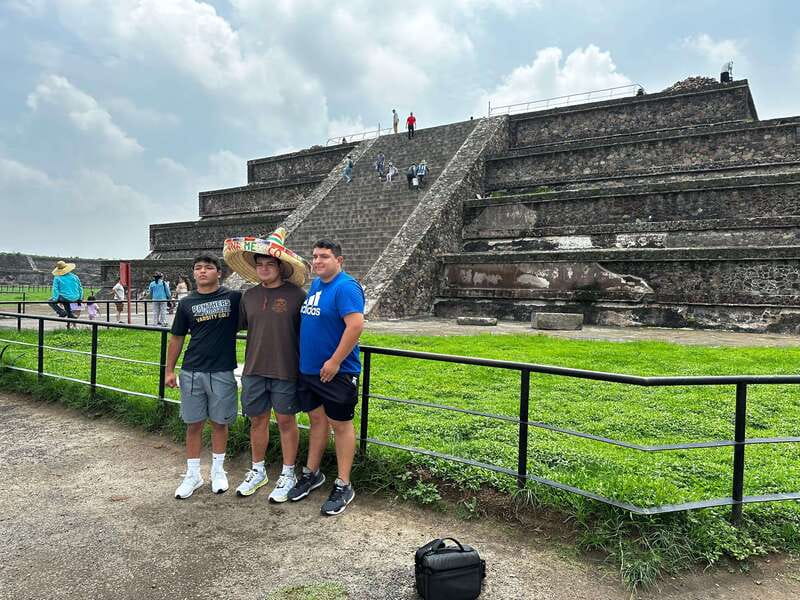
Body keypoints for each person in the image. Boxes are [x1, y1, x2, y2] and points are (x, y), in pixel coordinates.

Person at [222, 228, 310, 502]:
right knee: (257, 420)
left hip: (286, 368)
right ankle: (258, 470)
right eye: (259, 264)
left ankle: (288, 472)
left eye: (269, 264)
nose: (264, 268)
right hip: (254, 369)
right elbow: (234, 326)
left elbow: (309, 332)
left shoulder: (297, 295)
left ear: (280, 267)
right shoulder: (248, 296)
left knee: (286, 420)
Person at [287, 239, 365, 516]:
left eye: (324, 256)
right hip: (310, 370)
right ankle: (312, 473)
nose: (317, 261)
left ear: (339, 260)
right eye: (315, 256)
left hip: (337, 372)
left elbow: (355, 326)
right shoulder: (317, 285)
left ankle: (344, 484)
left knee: (341, 425)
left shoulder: (346, 287)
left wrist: (335, 361)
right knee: (317, 421)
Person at [166, 254, 242, 499]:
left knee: (220, 423)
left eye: (208, 268)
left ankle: (218, 471)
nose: (202, 271)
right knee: (193, 424)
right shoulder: (186, 303)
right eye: (198, 268)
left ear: (219, 273)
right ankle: (193, 474)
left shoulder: (233, 298)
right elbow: (177, 337)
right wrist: (169, 370)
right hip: (192, 370)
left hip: (221, 370)